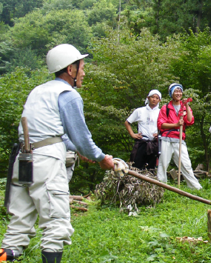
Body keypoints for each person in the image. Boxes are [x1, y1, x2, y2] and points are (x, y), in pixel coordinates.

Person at [0, 44, 115, 263]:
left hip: (23, 161)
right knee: (56, 223)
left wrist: (76, 149)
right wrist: (102, 158)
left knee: (17, 228)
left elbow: (51, 132)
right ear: (70, 69)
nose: (84, 72)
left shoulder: (39, 91)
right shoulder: (68, 95)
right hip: (47, 163)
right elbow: (82, 137)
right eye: (81, 67)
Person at [157, 83, 202, 190]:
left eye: (180, 91)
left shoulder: (184, 107)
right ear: (171, 93)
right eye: (175, 91)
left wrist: (186, 106)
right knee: (163, 163)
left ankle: (195, 187)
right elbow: (161, 124)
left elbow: (190, 121)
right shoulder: (165, 108)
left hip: (179, 139)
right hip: (166, 138)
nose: (178, 93)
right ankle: (160, 186)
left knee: (186, 164)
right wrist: (176, 125)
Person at [125, 90, 161, 171]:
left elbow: (165, 126)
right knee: (137, 165)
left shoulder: (161, 112)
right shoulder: (140, 111)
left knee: (151, 168)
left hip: (154, 143)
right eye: (152, 97)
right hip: (142, 142)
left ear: (159, 100)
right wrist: (132, 134)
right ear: (148, 98)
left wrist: (159, 134)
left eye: (157, 98)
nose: (154, 99)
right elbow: (127, 122)